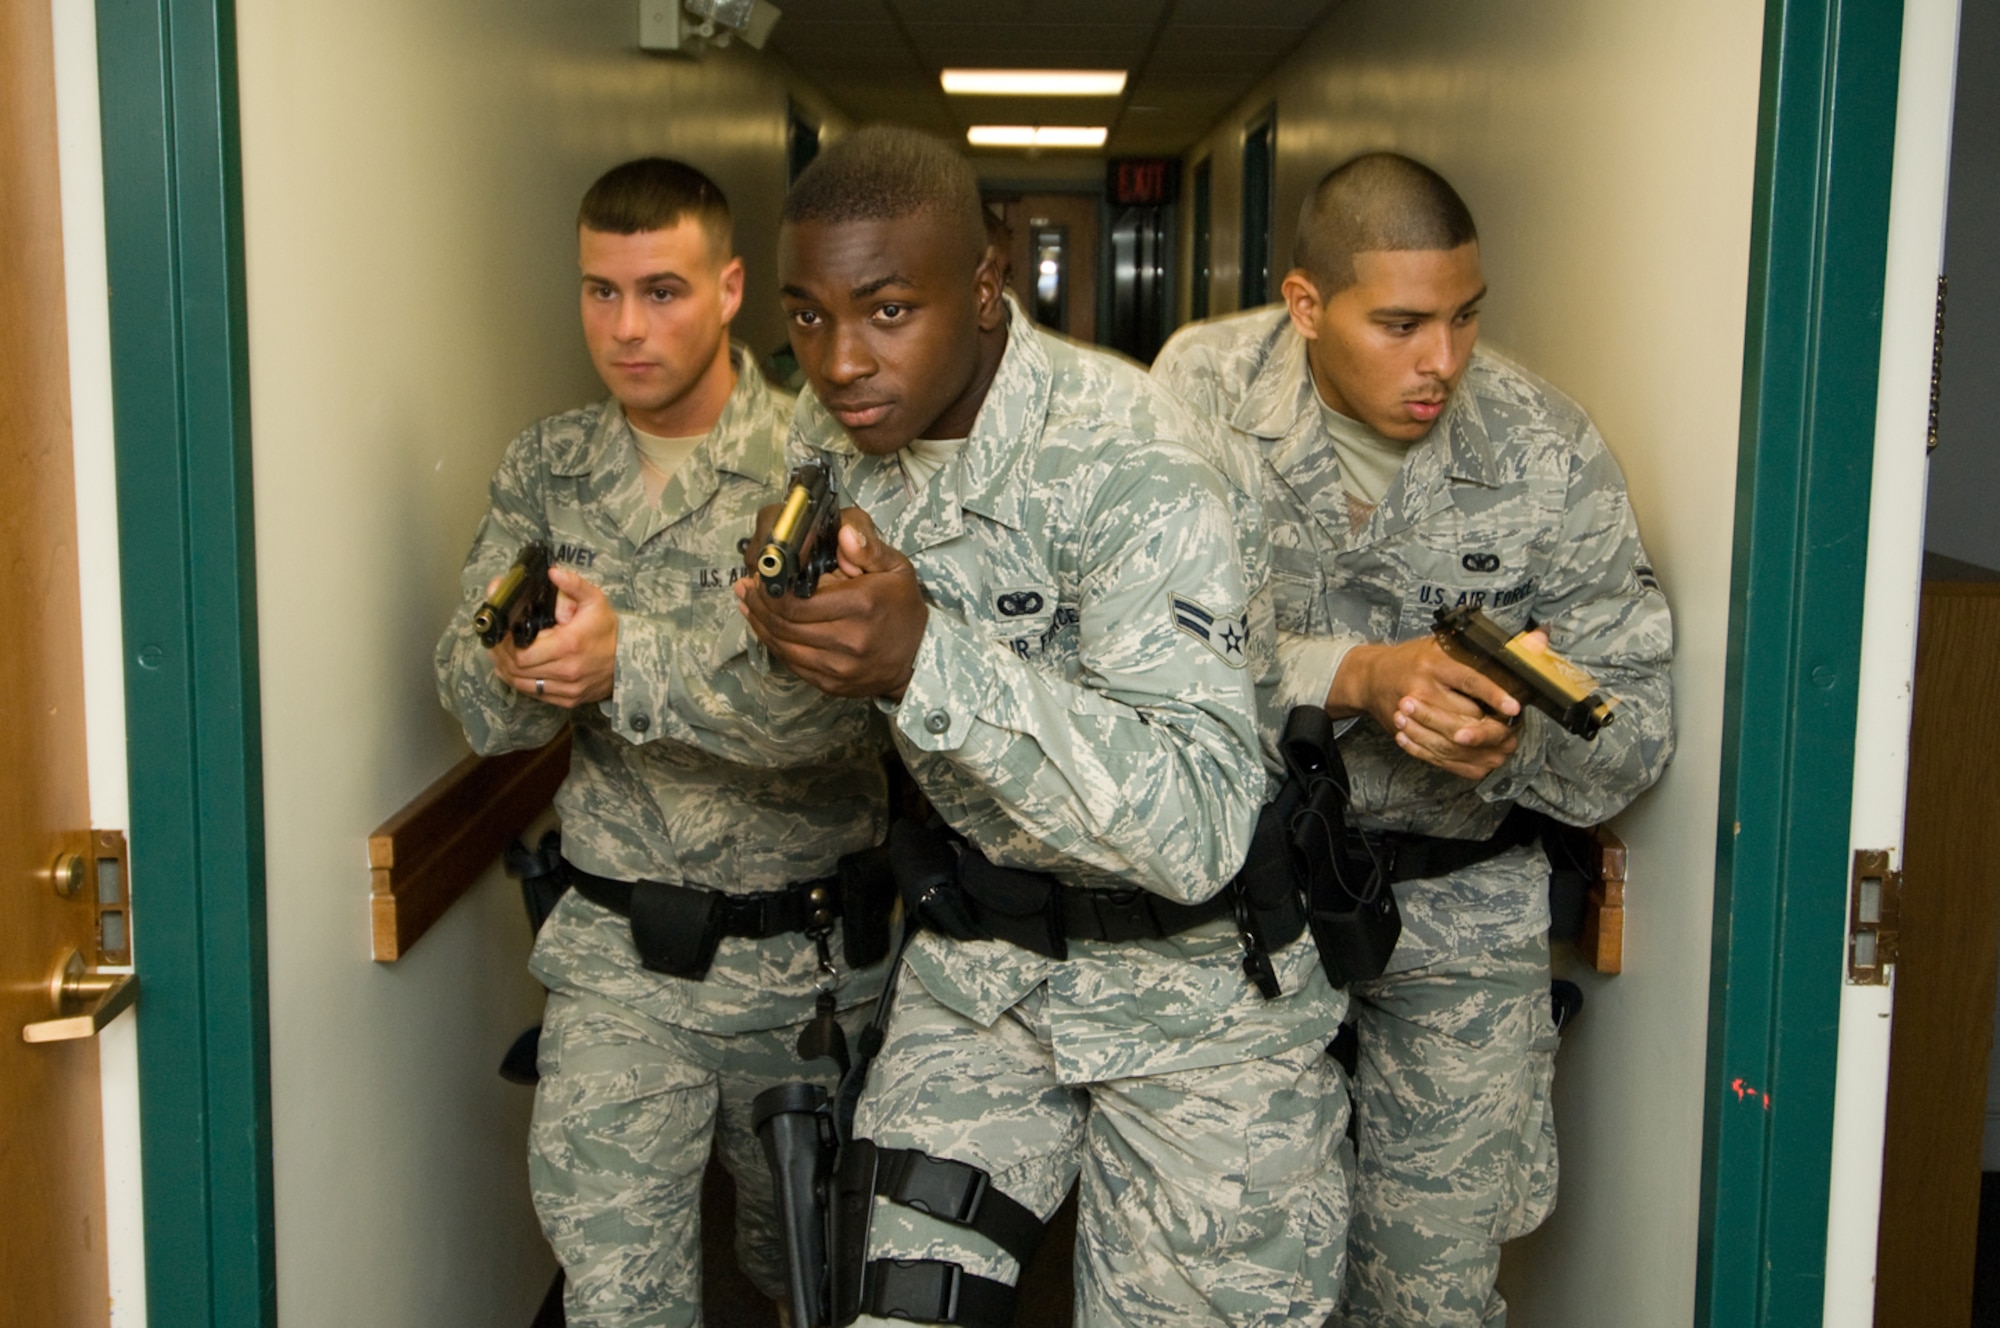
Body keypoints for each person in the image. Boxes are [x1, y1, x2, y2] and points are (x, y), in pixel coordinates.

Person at [735, 125, 1348, 1328]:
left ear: (984, 278)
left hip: (1199, 1001)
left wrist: (925, 659)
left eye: (887, 309)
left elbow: (1197, 825)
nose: (841, 361)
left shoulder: (1139, 460)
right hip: (985, 971)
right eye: (806, 317)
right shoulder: (840, 459)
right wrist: (798, 628)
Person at [1153, 153, 1676, 1327]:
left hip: (1460, 919)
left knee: (1426, 1296)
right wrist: (1355, 674)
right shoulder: (1200, 390)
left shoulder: (1543, 448)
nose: (1440, 359)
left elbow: (1634, 730)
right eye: (1398, 323)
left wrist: (1516, 750)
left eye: (1463, 316)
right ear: (1303, 305)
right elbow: (1134, 650)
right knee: (1226, 1279)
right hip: (1245, 910)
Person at [434, 157, 891, 1328]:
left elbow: (826, 706)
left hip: (804, 964)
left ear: (730, 287)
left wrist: (617, 657)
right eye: (600, 291)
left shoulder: (821, 458)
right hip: (616, 962)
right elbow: (474, 708)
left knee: (800, 1264)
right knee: (619, 1289)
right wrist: (519, 666)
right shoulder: (548, 465)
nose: (626, 328)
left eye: (661, 290)